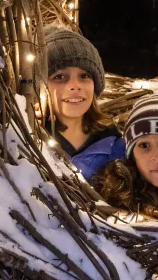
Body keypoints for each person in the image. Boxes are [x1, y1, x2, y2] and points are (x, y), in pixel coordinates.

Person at [43, 26, 126, 181]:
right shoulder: (30, 143)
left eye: (84, 75)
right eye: (59, 76)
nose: (75, 85)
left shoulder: (117, 148)